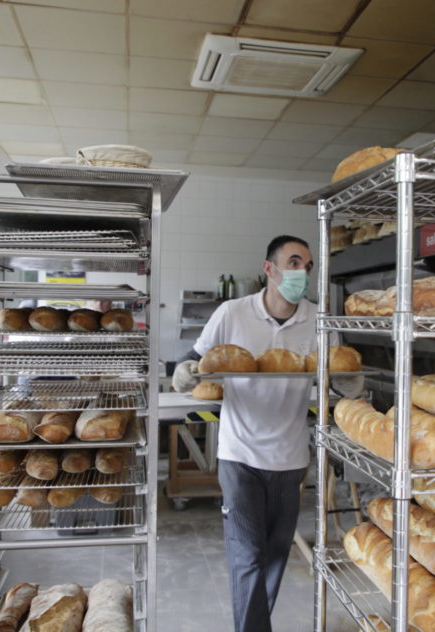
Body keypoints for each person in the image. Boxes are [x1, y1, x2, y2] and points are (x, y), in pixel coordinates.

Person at [172, 235, 356, 632]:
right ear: (269, 268)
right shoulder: (233, 312)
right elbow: (194, 358)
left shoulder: (319, 319)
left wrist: (350, 383)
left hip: (290, 456)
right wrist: (184, 372)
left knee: (274, 554)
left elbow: (338, 372)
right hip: (239, 453)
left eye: (307, 266)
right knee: (247, 554)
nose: (302, 272)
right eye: (294, 262)